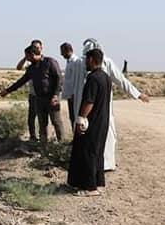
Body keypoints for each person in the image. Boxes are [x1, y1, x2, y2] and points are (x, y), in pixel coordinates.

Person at [63, 38, 150, 171]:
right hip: (83, 104)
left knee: (106, 134)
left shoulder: (106, 63)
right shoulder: (78, 63)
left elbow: (121, 80)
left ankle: (106, 164)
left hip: (101, 107)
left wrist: (137, 94)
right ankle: (87, 165)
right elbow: (70, 82)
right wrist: (68, 97)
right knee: (84, 134)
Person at [67, 48, 112, 196]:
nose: (85, 62)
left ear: (91, 59)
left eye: (86, 59)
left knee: (88, 152)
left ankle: (90, 188)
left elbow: (89, 101)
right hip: (102, 121)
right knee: (97, 152)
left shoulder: (93, 78)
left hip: (92, 122)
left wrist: (80, 119)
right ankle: (97, 182)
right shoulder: (105, 77)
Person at [0, 44, 64, 144]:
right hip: (39, 99)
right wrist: (8, 91)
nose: (27, 59)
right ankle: (43, 146)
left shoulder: (50, 62)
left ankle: (62, 144)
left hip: (52, 98)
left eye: (28, 57)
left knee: (56, 122)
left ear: (33, 54)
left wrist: (55, 95)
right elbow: (22, 81)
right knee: (42, 124)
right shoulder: (32, 68)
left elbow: (59, 78)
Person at [16, 39, 46, 143]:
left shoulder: (45, 61)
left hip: (42, 94)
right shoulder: (31, 63)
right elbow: (19, 68)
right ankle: (33, 136)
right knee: (31, 116)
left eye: (37, 47)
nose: (36, 49)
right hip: (32, 93)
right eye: (34, 48)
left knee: (42, 117)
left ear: (41, 48)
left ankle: (43, 138)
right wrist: (26, 57)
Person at [59, 42, 77, 132]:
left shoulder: (75, 62)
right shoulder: (69, 61)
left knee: (75, 118)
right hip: (71, 96)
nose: (61, 54)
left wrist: (74, 94)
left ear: (67, 51)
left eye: (62, 52)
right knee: (72, 118)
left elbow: (76, 80)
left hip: (74, 96)